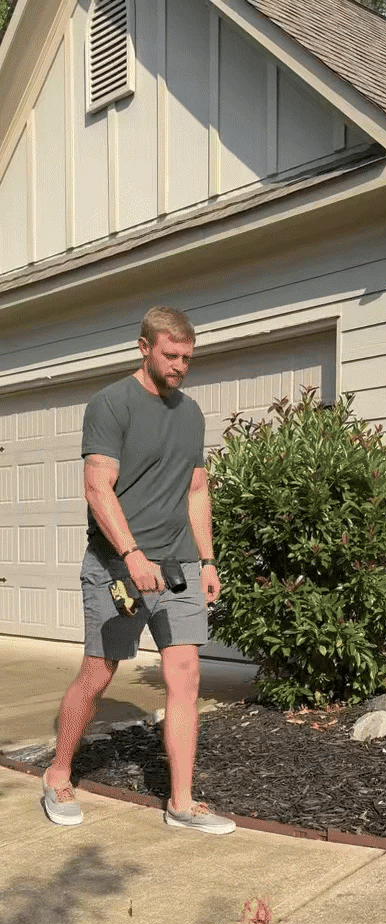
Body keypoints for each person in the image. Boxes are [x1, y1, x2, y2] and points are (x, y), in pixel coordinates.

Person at [41, 305, 236, 835]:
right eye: (171, 356)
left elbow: (196, 490)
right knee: (98, 672)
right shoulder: (112, 403)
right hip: (116, 566)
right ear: (144, 347)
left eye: (187, 358)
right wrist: (131, 554)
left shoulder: (191, 413)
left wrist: (207, 560)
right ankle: (58, 772)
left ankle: (182, 802)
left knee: (185, 676)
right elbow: (97, 486)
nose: (180, 367)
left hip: (179, 567)